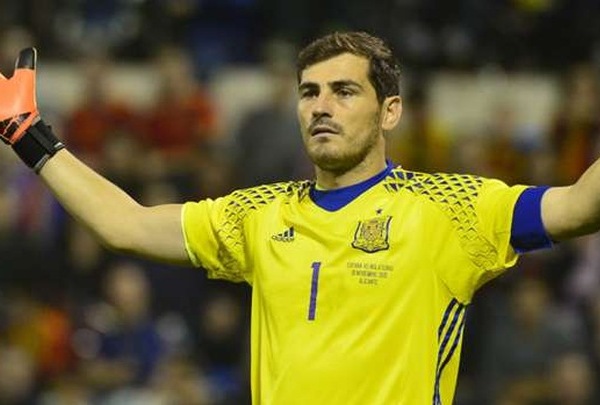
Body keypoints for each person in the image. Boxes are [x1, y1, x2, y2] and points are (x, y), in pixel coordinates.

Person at [0, 33, 598, 404]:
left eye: (344, 91)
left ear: (390, 112)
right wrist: (27, 134)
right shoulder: (258, 215)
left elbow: (578, 206)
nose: (321, 107)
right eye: (309, 93)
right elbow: (124, 225)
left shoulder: (447, 209)